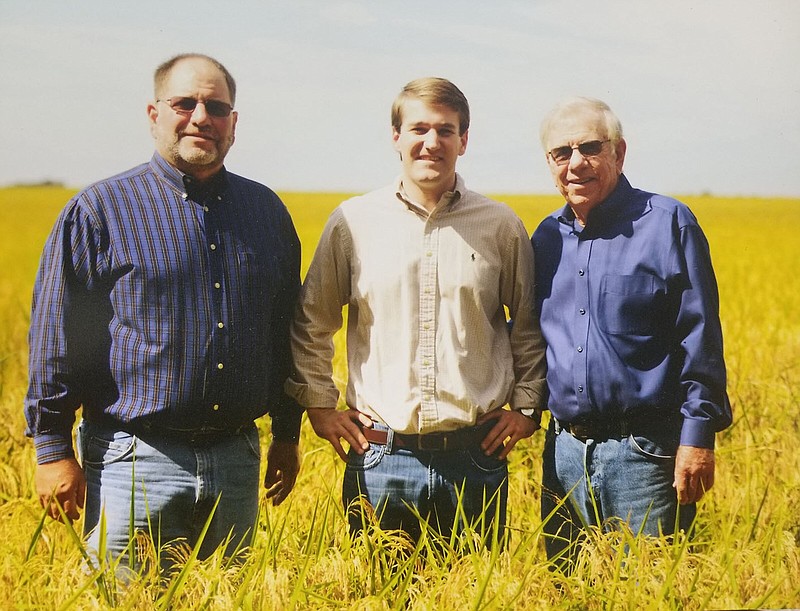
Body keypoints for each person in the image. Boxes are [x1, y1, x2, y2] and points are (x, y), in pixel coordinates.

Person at [24, 53, 303, 573]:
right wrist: (52, 450)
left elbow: (286, 333)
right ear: (154, 113)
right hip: (133, 461)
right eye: (185, 103)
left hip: (236, 462)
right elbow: (57, 337)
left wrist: (287, 436)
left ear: (234, 123)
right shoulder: (100, 211)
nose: (201, 117)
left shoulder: (265, 213)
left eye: (216, 107)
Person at [286, 77, 547, 546]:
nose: (432, 143)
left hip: (475, 459)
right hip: (382, 459)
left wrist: (527, 405)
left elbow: (528, 323)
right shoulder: (353, 223)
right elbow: (313, 319)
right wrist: (320, 405)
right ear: (396, 137)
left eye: (446, 130)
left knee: (473, 596)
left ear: (463, 141)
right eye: (419, 129)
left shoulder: (500, 225)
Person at [531, 96, 732, 571]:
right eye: (562, 152)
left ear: (619, 153)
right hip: (563, 455)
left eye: (590, 147)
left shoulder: (667, 224)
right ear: (550, 163)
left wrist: (698, 437)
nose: (576, 163)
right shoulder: (544, 239)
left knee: (645, 590)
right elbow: (528, 340)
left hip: (644, 457)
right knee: (569, 592)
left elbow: (699, 335)